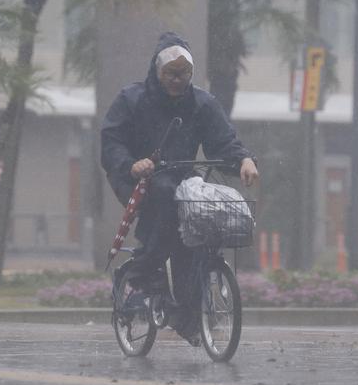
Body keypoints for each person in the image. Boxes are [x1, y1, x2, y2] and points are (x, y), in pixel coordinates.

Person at [101, 31, 259, 345]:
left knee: (196, 229)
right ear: (156, 72)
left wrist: (243, 160)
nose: (177, 80)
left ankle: (186, 313)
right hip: (136, 178)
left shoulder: (202, 103)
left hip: (182, 179)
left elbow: (223, 140)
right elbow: (111, 142)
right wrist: (132, 164)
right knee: (162, 197)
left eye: (183, 74)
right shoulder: (131, 99)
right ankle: (144, 271)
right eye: (170, 74)